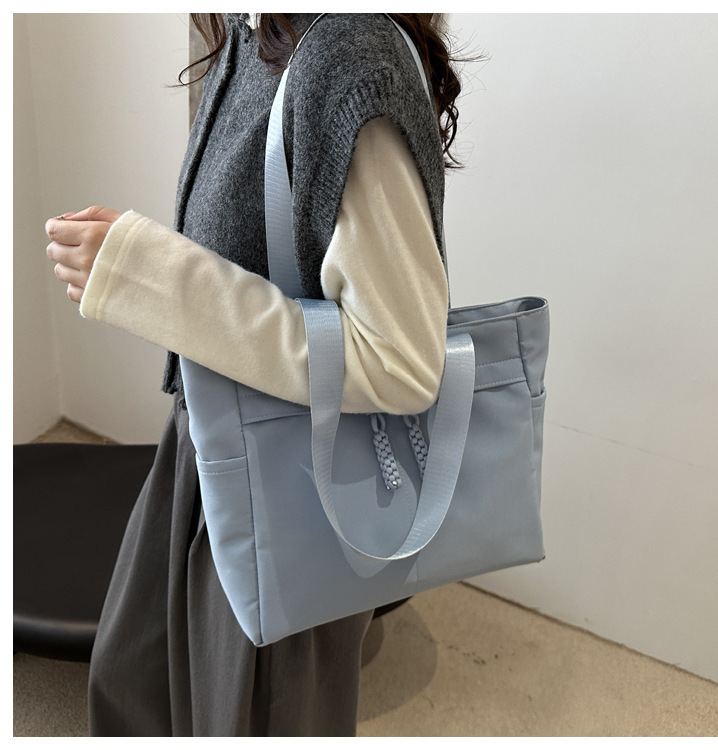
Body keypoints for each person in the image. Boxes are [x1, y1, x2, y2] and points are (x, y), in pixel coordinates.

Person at [45, 13, 463, 737]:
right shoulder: (259, 29)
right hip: (208, 447)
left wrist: (149, 276)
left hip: (288, 490)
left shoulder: (346, 57)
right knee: (137, 683)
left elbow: (399, 360)